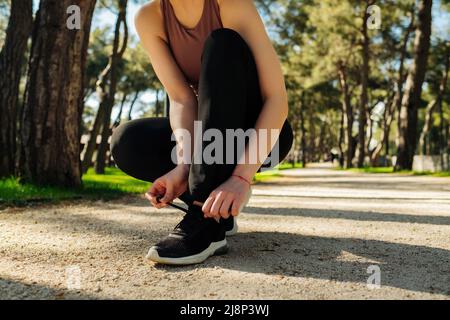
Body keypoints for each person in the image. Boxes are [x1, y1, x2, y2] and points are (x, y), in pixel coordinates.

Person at [110, 0, 293, 265]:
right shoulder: (149, 18)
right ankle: (217, 204)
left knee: (223, 43)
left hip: (262, 135)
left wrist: (241, 178)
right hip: (208, 137)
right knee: (129, 142)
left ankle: (206, 219)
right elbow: (182, 98)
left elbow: (277, 100)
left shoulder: (232, 6)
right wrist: (184, 166)